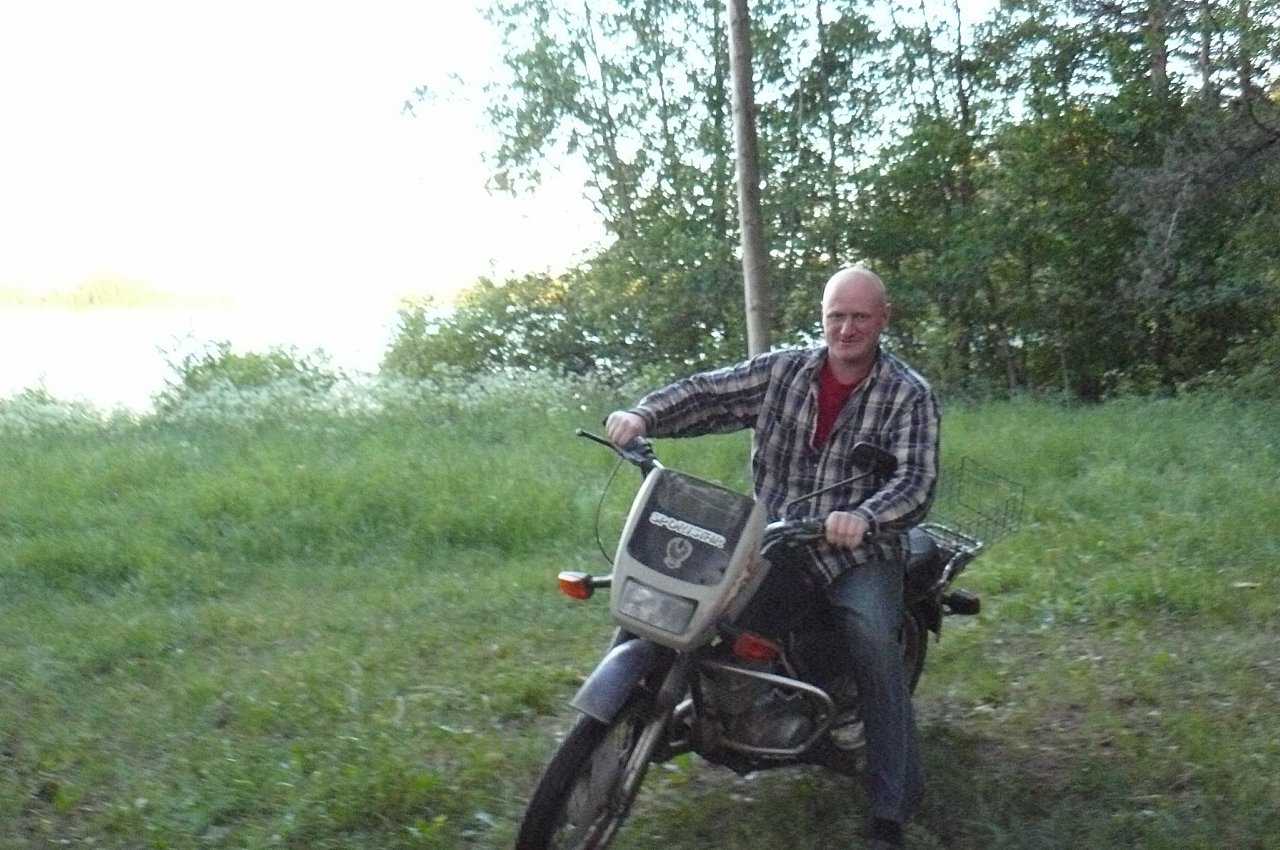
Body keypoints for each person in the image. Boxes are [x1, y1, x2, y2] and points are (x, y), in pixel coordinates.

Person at [605, 265, 939, 850]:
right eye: (836, 315)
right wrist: (645, 415)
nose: (846, 328)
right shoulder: (784, 370)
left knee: (870, 639)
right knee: (682, 595)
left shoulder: (908, 394)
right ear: (823, 318)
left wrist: (864, 517)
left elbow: (915, 481)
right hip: (778, 533)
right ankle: (622, 719)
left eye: (860, 316)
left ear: (883, 319)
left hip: (857, 549)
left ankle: (892, 806)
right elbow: (711, 394)